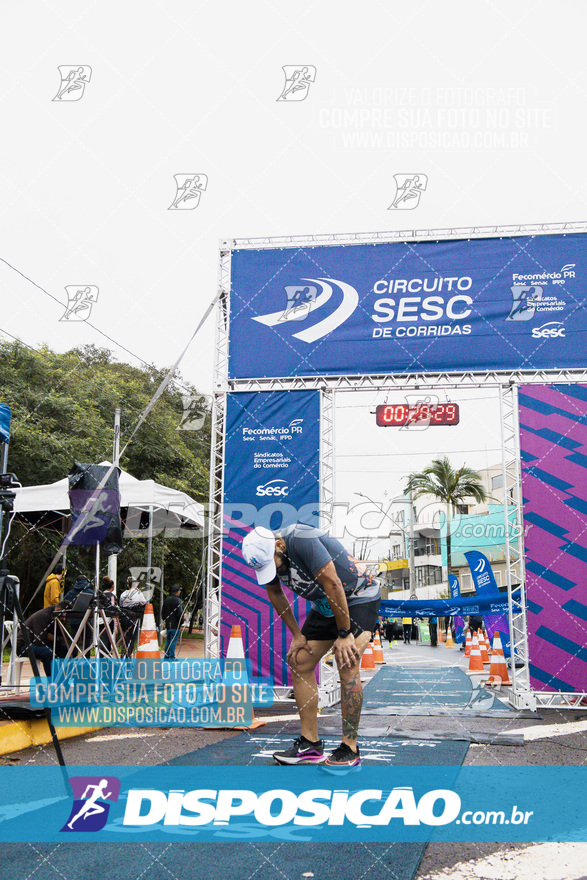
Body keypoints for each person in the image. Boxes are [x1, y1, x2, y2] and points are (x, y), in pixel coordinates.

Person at [241, 524, 380, 769]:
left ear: (279, 545)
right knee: (299, 660)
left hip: (357, 596)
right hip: (325, 605)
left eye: (275, 564)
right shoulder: (266, 554)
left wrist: (344, 633)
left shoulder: (302, 539)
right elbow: (275, 593)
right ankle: (310, 745)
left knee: (346, 661)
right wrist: (297, 634)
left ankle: (350, 747)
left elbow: (334, 584)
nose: (274, 572)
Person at [17, 602, 69, 676]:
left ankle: (63, 680)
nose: (64, 618)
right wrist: (55, 639)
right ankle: (53, 681)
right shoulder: (43, 616)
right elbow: (40, 640)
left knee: (66, 650)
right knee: (48, 653)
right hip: (24, 645)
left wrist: (55, 638)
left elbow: (61, 637)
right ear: (58, 610)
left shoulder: (56, 616)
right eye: (63, 616)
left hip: (37, 642)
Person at [161, 586, 183, 660]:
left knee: (168, 639)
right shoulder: (178, 601)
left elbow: (163, 612)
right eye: (179, 591)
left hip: (168, 624)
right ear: (177, 592)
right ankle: (171, 656)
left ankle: (166, 655)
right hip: (175, 624)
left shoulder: (166, 600)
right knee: (173, 640)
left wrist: (165, 620)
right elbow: (180, 613)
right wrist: (181, 621)